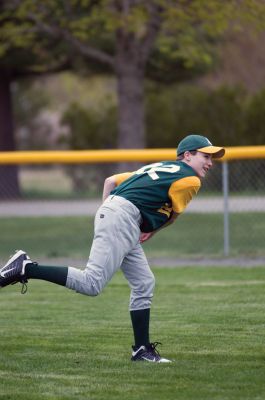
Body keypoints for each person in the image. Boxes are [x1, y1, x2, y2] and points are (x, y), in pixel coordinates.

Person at [0, 134, 225, 363]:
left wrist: (107, 212)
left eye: (212, 157)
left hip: (120, 216)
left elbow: (110, 181)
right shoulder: (191, 180)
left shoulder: (161, 167)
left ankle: (141, 350)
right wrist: (142, 227)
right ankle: (26, 268)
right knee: (91, 283)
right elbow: (173, 217)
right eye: (206, 156)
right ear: (187, 155)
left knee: (144, 282)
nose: (210, 162)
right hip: (124, 219)